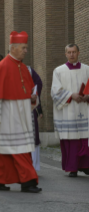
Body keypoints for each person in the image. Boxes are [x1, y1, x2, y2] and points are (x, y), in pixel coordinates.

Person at [0, 31, 41, 193]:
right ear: (13, 48)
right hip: (7, 115)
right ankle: (28, 182)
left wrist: (33, 98)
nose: (26, 50)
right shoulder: (3, 67)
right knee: (19, 148)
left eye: (26, 48)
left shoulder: (23, 67)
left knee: (3, 151)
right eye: (23, 47)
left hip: (21, 115)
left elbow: (27, 91)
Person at [51, 43, 89, 177]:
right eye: (69, 52)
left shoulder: (87, 69)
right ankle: (72, 167)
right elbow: (55, 93)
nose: (72, 55)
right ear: (65, 54)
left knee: (85, 138)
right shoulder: (58, 71)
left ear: (79, 53)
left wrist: (87, 97)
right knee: (71, 140)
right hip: (68, 111)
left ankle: (85, 165)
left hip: (84, 108)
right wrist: (71, 95)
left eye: (74, 52)